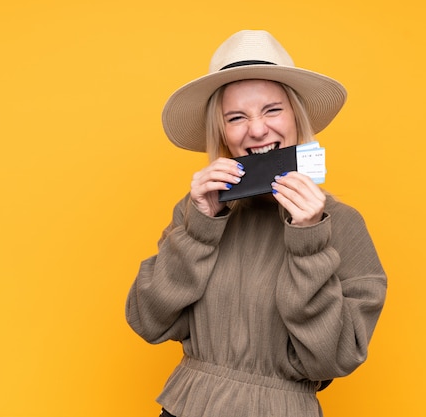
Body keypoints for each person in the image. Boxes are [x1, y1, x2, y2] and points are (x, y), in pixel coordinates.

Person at [126, 29, 387, 417]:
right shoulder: (199, 212)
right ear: (223, 134)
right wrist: (199, 229)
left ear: (297, 116)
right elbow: (147, 320)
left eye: (272, 110)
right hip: (185, 406)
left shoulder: (343, 224)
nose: (258, 129)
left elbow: (334, 358)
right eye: (236, 117)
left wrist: (308, 241)